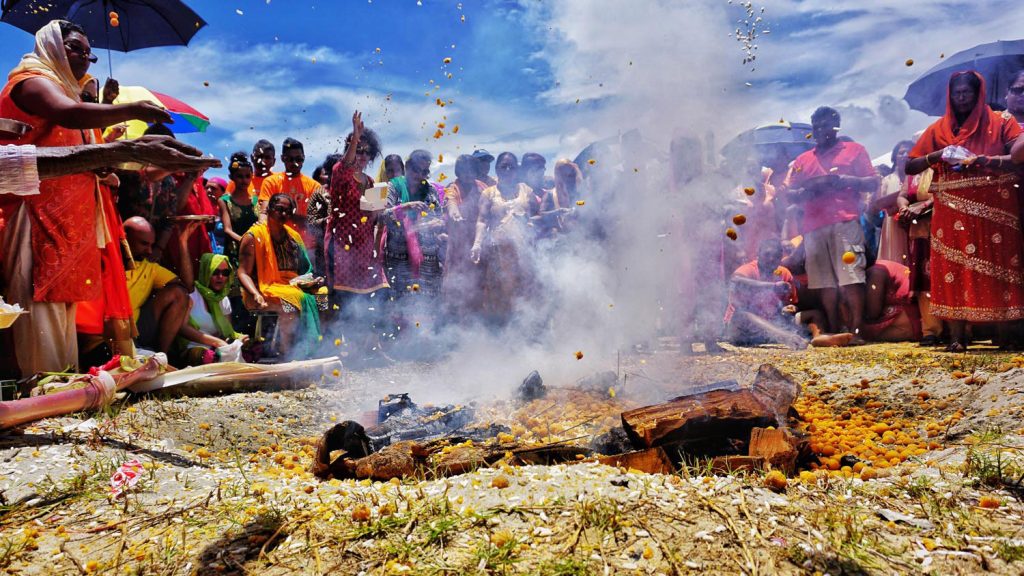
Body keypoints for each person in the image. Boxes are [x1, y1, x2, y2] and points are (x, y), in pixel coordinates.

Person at [0, 19, 171, 375]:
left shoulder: (70, 90)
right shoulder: (30, 80)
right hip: (33, 213)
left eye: (88, 52)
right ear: (50, 45)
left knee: (62, 308)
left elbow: (86, 150)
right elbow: (67, 115)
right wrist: (132, 109)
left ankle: (61, 389)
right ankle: (34, 392)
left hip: (69, 219)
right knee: (35, 309)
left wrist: (123, 155)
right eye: (75, 47)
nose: (84, 57)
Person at [905, 71, 1023, 352]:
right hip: (951, 209)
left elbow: (1017, 155)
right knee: (953, 268)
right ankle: (957, 336)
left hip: (996, 207)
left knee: (1000, 266)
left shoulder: (1001, 121)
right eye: (956, 93)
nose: (961, 98)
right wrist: (938, 155)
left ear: (978, 93)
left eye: (966, 92)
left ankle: (1006, 335)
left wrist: (985, 160)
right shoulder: (938, 129)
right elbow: (911, 166)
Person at [785, 106, 879, 344]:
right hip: (813, 225)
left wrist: (847, 180)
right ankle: (836, 329)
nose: (820, 130)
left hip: (845, 220)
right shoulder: (803, 160)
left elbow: (871, 182)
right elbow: (790, 193)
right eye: (816, 126)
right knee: (823, 281)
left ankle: (857, 331)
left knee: (851, 277)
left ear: (836, 126)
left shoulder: (854, 150)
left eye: (825, 125)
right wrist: (805, 191)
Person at [325, 112, 390, 356]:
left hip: (364, 245)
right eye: (358, 150)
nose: (361, 156)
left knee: (376, 293)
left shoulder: (371, 181)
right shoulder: (339, 171)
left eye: (366, 152)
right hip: (341, 243)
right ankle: (340, 348)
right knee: (343, 296)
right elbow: (347, 163)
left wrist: (381, 214)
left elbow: (372, 218)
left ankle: (371, 345)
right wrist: (356, 136)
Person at [237, 193, 322, 355]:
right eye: (279, 209)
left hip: (292, 288)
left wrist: (311, 281)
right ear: (269, 210)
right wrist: (255, 295)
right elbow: (242, 273)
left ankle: (314, 349)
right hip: (261, 292)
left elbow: (305, 270)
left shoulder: (293, 237)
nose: (284, 214)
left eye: (288, 211)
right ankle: (287, 354)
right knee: (290, 307)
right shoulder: (253, 237)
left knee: (323, 299)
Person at [470, 152, 535, 327]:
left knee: (522, 292)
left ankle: (523, 332)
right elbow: (482, 220)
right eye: (503, 166)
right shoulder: (489, 193)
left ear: (517, 169)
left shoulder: (526, 190)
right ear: (497, 169)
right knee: (498, 293)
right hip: (498, 250)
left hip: (522, 250)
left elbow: (534, 217)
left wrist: (530, 225)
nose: (507, 170)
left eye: (511, 166)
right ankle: (500, 335)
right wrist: (476, 244)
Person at [122, 217, 193, 356]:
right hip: (105, 334)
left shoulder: (150, 268)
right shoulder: (105, 261)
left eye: (151, 245)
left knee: (179, 294)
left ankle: (162, 356)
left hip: (136, 331)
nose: (149, 251)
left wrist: (183, 242)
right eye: (143, 244)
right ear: (125, 238)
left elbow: (188, 286)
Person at [724, 239, 806, 350]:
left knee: (805, 318)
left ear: (780, 257)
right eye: (767, 254)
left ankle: (791, 337)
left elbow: (790, 304)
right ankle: (785, 337)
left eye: (776, 256)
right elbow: (736, 280)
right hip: (741, 330)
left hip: (768, 328)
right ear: (758, 253)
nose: (771, 259)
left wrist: (789, 308)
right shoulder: (747, 270)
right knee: (743, 314)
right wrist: (773, 286)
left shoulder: (784, 273)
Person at [177, 254, 247, 365]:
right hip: (193, 348)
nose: (220, 277)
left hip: (216, 348)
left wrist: (238, 340)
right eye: (215, 272)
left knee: (252, 348)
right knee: (207, 357)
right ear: (206, 272)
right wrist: (217, 342)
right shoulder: (192, 295)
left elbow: (226, 333)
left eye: (225, 273)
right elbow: (182, 328)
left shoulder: (223, 300)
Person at [443, 154, 487, 320]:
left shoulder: (482, 187)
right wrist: (456, 216)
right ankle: (454, 323)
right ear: (458, 172)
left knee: (478, 285)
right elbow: (451, 204)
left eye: (471, 170)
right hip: (458, 247)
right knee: (457, 286)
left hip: (479, 245)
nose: (468, 174)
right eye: (464, 171)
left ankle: (477, 323)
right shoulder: (452, 188)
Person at [258, 138, 323, 249]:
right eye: (290, 159)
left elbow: (318, 221)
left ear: (304, 158)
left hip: (306, 248)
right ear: (283, 158)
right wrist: (260, 232)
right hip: (277, 245)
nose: (295, 163)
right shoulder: (271, 182)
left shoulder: (314, 186)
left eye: (299, 159)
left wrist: (290, 217)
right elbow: (264, 213)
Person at [872, 140, 914, 264]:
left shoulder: (919, 177)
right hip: (893, 227)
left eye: (909, 152)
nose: (905, 155)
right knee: (895, 260)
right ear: (895, 157)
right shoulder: (886, 181)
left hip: (915, 222)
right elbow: (876, 206)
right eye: (901, 153)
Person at [860, 260, 920, 343]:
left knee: (863, 331)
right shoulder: (881, 265)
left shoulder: (876, 272)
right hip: (921, 314)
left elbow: (873, 312)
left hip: (912, 315)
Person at [218, 152, 258, 268]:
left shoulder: (256, 201)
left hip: (255, 253)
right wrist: (247, 243)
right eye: (239, 176)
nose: (244, 180)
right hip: (234, 253)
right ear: (231, 177)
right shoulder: (225, 201)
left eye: (247, 176)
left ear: (251, 176)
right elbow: (227, 230)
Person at [307, 153, 342, 277]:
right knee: (324, 289)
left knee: (349, 292)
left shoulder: (353, 192)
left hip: (349, 254)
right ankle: (322, 297)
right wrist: (327, 221)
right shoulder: (320, 193)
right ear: (329, 172)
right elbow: (310, 223)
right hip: (324, 253)